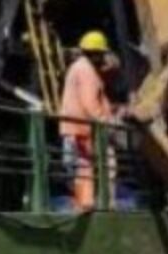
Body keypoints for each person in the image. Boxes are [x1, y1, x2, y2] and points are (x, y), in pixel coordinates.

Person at [60, 31, 118, 211]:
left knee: (83, 168)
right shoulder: (87, 71)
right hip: (84, 129)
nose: (103, 58)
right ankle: (103, 204)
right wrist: (106, 121)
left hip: (75, 128)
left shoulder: (77, 67)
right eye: (102, 54)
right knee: (107, 163)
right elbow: (90, 102)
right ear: (97, 53)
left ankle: (84, 204)